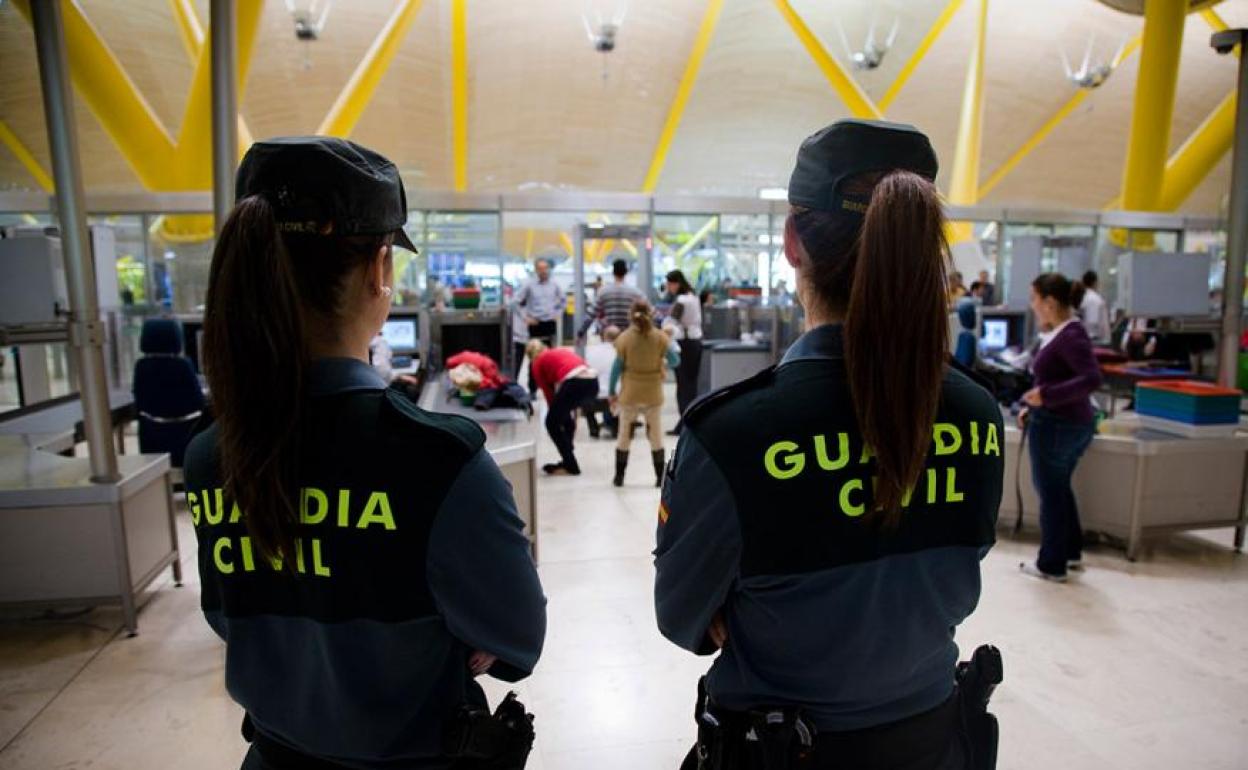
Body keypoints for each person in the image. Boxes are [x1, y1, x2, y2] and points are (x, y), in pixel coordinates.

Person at [183, 137, 546, 770]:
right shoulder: (440, 460)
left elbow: (228, 616)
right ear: (380, 269)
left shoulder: (213, 454)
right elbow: (517, 638)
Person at [654, 120, 1003, 770]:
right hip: (932, 745)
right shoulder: (977, 412)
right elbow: (957, 564)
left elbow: (683, 617)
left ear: (793, 243)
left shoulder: (731, 433)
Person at [1019, 273, 1103, 583]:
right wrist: (1034, 404)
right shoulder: (1063, 333)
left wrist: (1046, 396)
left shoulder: (1071, 335)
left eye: (1034, 299)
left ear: (1050, 302)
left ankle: (1051, 563)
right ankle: (1070, 552)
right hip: (1060, 420)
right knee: (1060, 489)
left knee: (1051, 493)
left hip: (1059, 425)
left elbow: (1091, 379)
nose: (1033, 306)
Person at [608, 301, 680, 487]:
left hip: (630, 394)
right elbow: (675, 360)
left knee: (624, 435)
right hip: (653, 393)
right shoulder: (660, 337)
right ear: (651, 313)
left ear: (631, 315)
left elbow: (616, 368)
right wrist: (661, 365)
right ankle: (659, 478)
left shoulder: (624, 338)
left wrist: (610, 392)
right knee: (656, 436)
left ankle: (619, 477)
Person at [527, 339, 599, 476]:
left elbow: (549, 394)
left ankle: (571, 465)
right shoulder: (558, 351)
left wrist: (553, 412)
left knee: (551, 423)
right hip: (592, 381)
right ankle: (568, 454)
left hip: (575, 382)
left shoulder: (537, 363)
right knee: (565, 418)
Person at [664, 269, 703, 435]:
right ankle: (691, 422)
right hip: (696, 341)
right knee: (692, 384)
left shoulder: (681, 300)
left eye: (669, 285)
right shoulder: (694, 296)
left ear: (676, 283)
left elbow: (671, 321)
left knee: (683, 384)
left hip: (684, 343)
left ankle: (683, 424)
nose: (668, 288)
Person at [516, 259, 563, 393]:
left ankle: (550, 387)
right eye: (540, 268)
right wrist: (526, 318)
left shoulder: (554, 285)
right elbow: (516, 302)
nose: (543, 271)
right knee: (534, 359)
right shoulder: (529, 285)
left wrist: (557, 313)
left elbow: (563, 301)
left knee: (551, 357)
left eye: (545, 268)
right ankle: (533, 389)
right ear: (536, 270)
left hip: (549, 323)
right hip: (535, 325)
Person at [578, 259, 644, 340]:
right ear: (626, 272)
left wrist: (581, 332)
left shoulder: (603, 291)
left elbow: (591, 314)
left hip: (611, 335)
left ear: (613, 272)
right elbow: (649, 311)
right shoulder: (635, 293)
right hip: (629, 336)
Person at [1078, 270, 1111, 344]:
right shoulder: (1096, 299)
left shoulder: (1082, 297)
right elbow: (1093, 322)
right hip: (1094, 339)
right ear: (1095, 282)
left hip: (1084, 337)